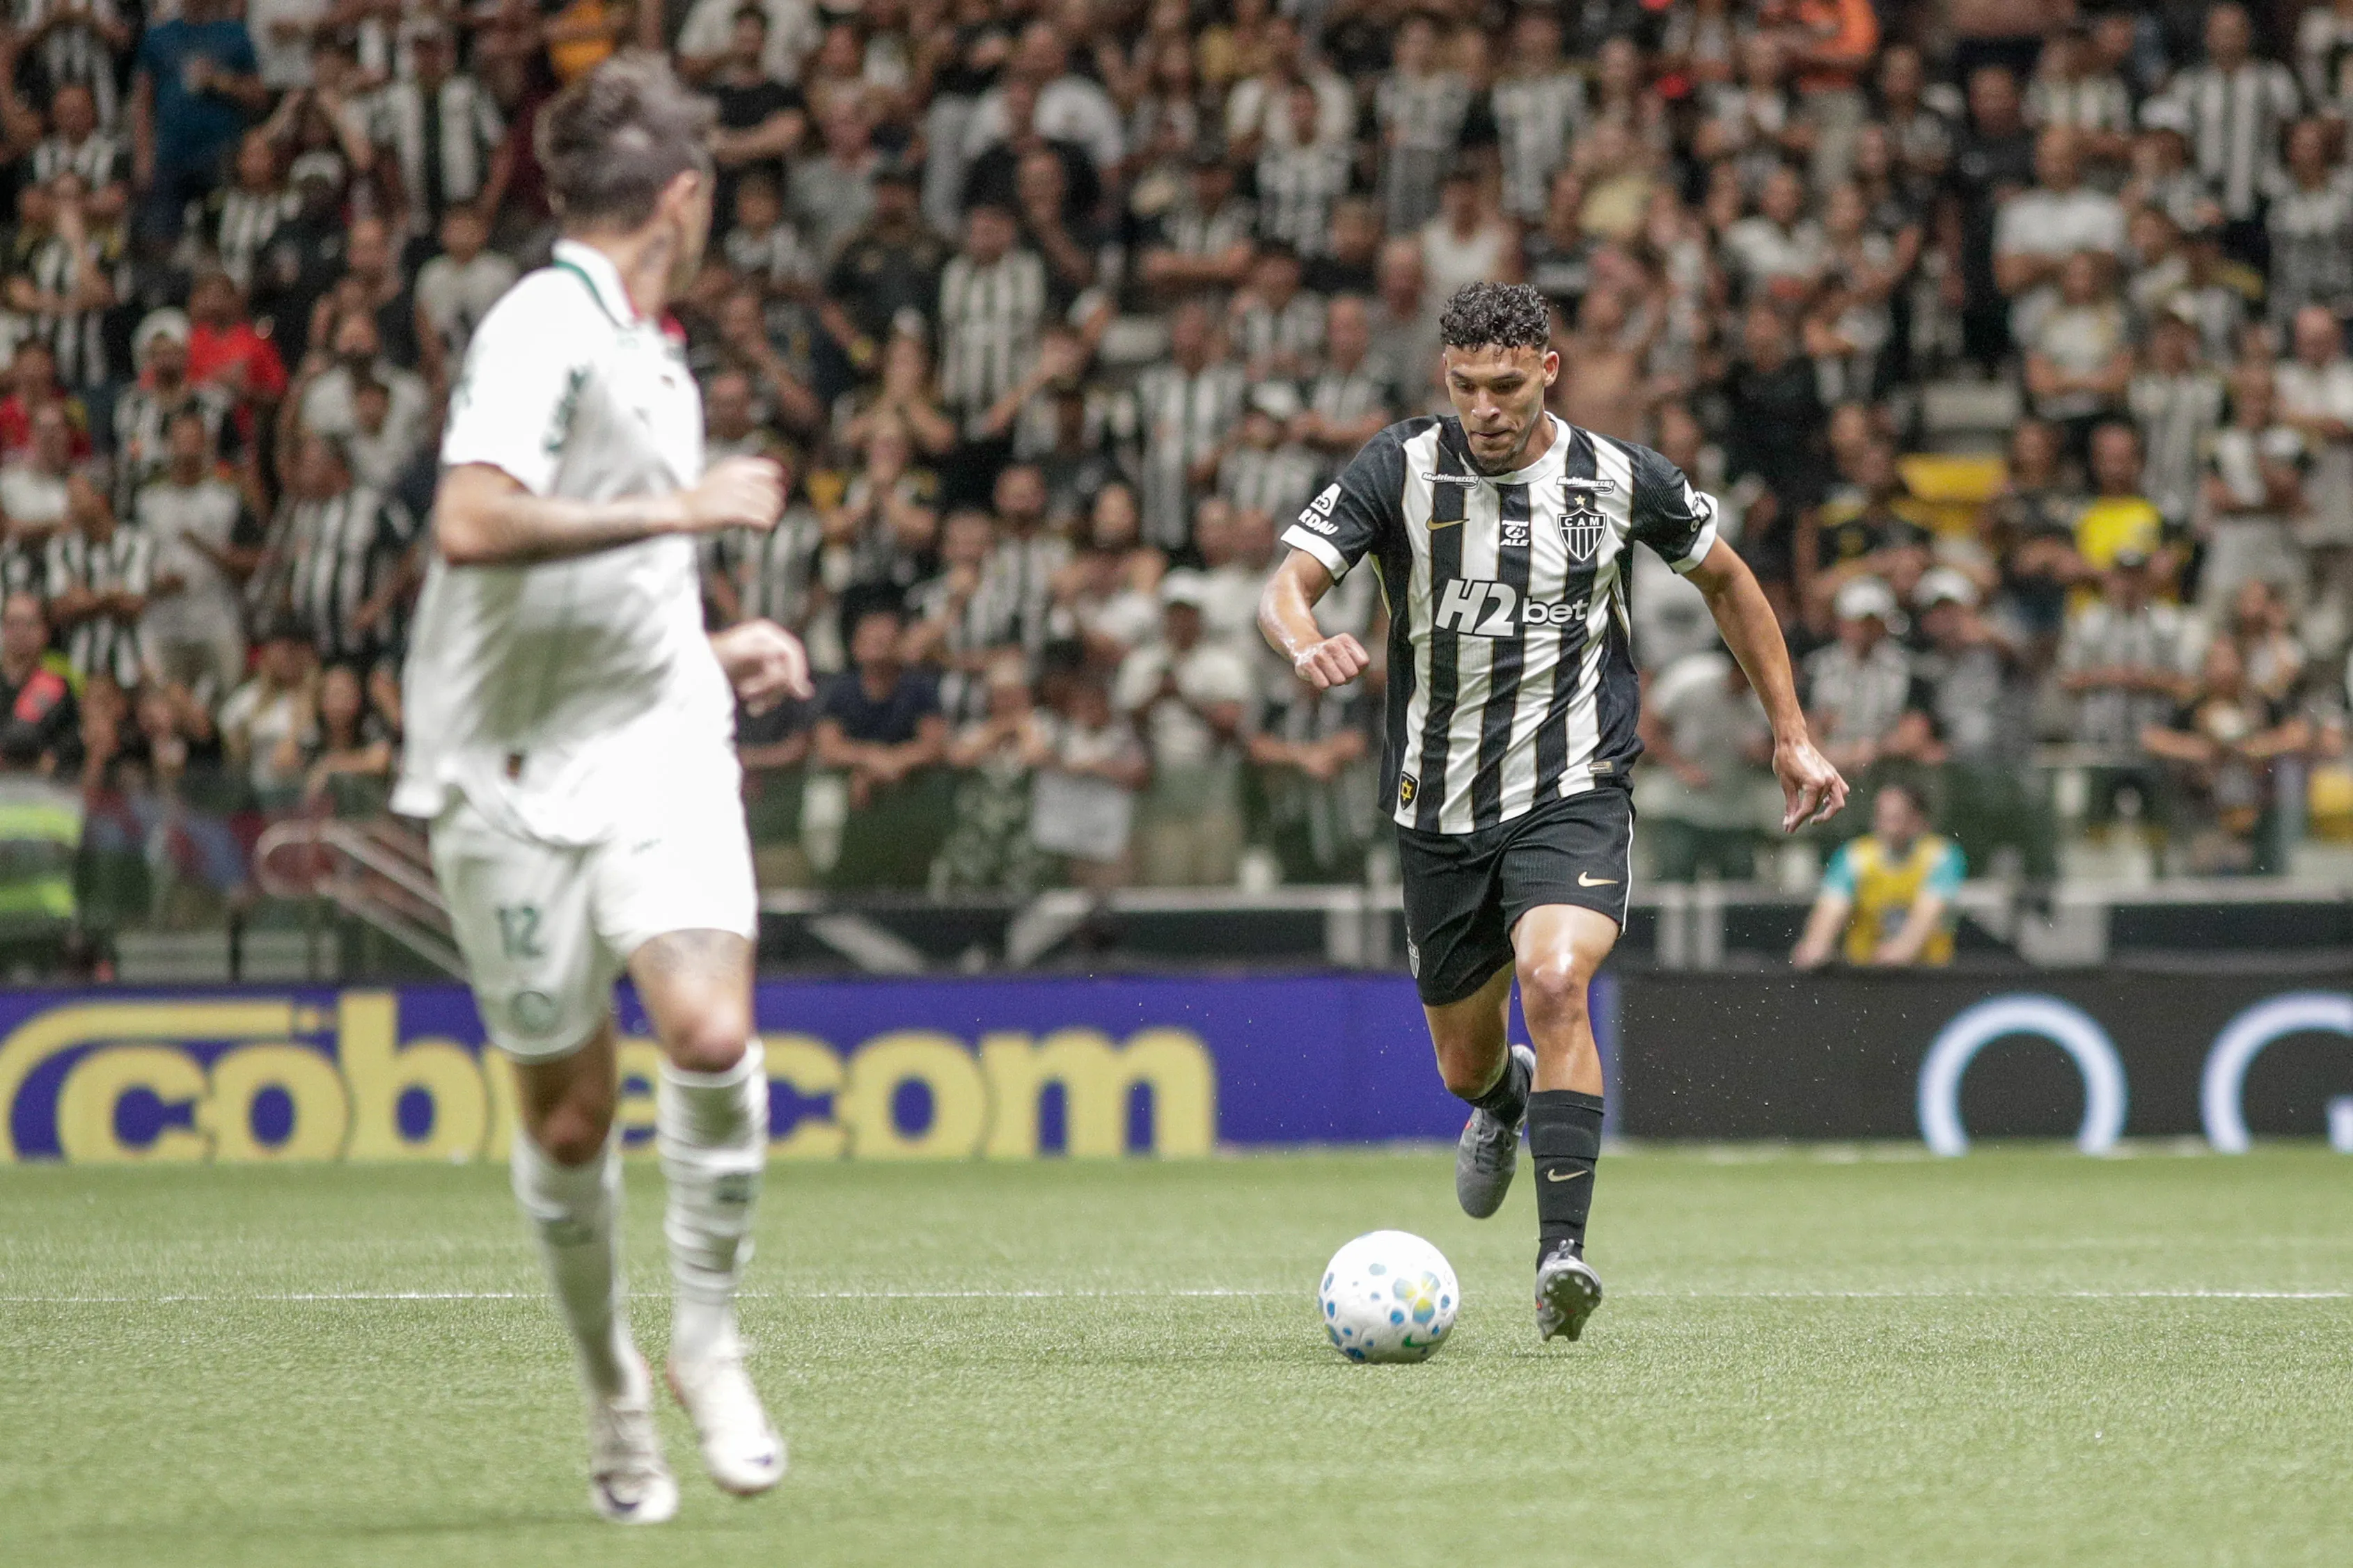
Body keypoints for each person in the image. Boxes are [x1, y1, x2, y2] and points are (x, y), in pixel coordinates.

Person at [1258, 281, 1846, 1345]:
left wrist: (1791, 729)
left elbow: (1731, 582)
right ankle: (1505, 1100)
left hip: (1573, 785)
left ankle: (1560, 1257)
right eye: (1466, 386)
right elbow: (1286, 583)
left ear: (1548, 371)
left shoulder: (1617, 477)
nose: (1485, 407)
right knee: (1462, 1063)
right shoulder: (1399, 466)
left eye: (1506, 385)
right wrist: (1303, 636)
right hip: (1436, 805)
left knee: (1557, 977)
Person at [391, 56, 813, 1526]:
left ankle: (707, 1336)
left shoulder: (652, 348)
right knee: (569, 1126)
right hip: (501, 778)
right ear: (684, 197)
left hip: (658, 743)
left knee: (707, 1027)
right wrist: (685, 508)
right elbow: (472, 517)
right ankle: (612, 1390)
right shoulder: (541, 324)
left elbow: (614, 575)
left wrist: (711, 636)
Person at [1791, 780, 1965, 968]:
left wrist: (1901, 950)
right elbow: (1829, 915)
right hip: (1865, 976)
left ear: (1918, 820)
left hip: (1928, 976)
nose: (1888, 827)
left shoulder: (1941, 857)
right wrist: (1816, 946)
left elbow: (1923, 923)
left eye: (1896, 818)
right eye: (1883, 817)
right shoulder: (1854, 858)